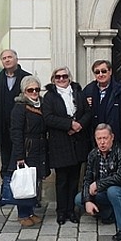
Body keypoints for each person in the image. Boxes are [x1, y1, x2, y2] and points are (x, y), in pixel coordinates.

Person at [43, 66, 92, 225]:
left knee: (74, 179)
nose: (61, 79)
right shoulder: (49, 96)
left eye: (64, 76)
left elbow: (88, 113)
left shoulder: (78, 93)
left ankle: (71, 210)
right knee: (62, 180)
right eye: (58, 77)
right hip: (60, 143)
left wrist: (79, 125)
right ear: (53, 79)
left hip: (77, 141)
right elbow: (48, 118)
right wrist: (69, 125)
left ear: (69, 77)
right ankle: (61, 211)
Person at [76, 124, 121, 241]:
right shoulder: (93, 154)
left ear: (112, 137)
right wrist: (87, 200)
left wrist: (99, 184)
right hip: (103, 192)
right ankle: (109, 213)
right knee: (79, 199)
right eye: (99, 139)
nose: (102, 142)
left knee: (113, 191)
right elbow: (87, 179)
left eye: (105, 138)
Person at [10, 76, 48, 227]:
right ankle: (23, 214)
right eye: (30, 90)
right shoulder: (19, 108)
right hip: (27, 148)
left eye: (37, 89)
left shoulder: (42, 105)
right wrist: (19, 155)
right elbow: (16, 132)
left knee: (34, 180)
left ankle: (31, 211)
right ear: (24, 91)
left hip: (40, 147)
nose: (34, 92)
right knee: (24, 181)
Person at [0, 49, 31, 181]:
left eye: (9, 57)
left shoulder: (27, 78)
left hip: (23, 130)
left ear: (16, 59)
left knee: (22, 163)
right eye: (4, 58)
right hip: (4, 130)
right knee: (6, 163)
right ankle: (6, 190)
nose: (7, 60)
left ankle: (23, 192)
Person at [82, 59, 121, 149]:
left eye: (103, 71)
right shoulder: (88, 90)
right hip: (94, 144)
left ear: (110, 72)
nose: (100, 74)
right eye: (97, 72)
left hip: (117, 142)